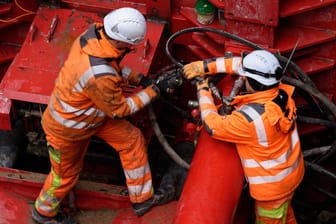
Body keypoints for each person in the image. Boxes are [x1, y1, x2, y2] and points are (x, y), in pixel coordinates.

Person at [32, 7, 172, 224]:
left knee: (132, 139)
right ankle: (44, 213)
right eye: (131, 45)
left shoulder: (94, 36)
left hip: (91, 117)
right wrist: (155, 90)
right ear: (122, 42)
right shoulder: (99, 75)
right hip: (67, 131)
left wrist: (139, 79)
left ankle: (142, 199)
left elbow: (112, 66)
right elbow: (119, 110)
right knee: (64, 176)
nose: (132, 48)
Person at [183, 50, 305, 224]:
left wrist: (203, 89)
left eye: (245, 77)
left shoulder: (252, 120)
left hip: (272, 190)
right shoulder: (280, 93)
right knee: (284, 214)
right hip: (291, 173)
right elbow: (238, 64)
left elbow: (212, 125)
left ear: (252, 82)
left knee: (271, 220)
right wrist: (203, 66)